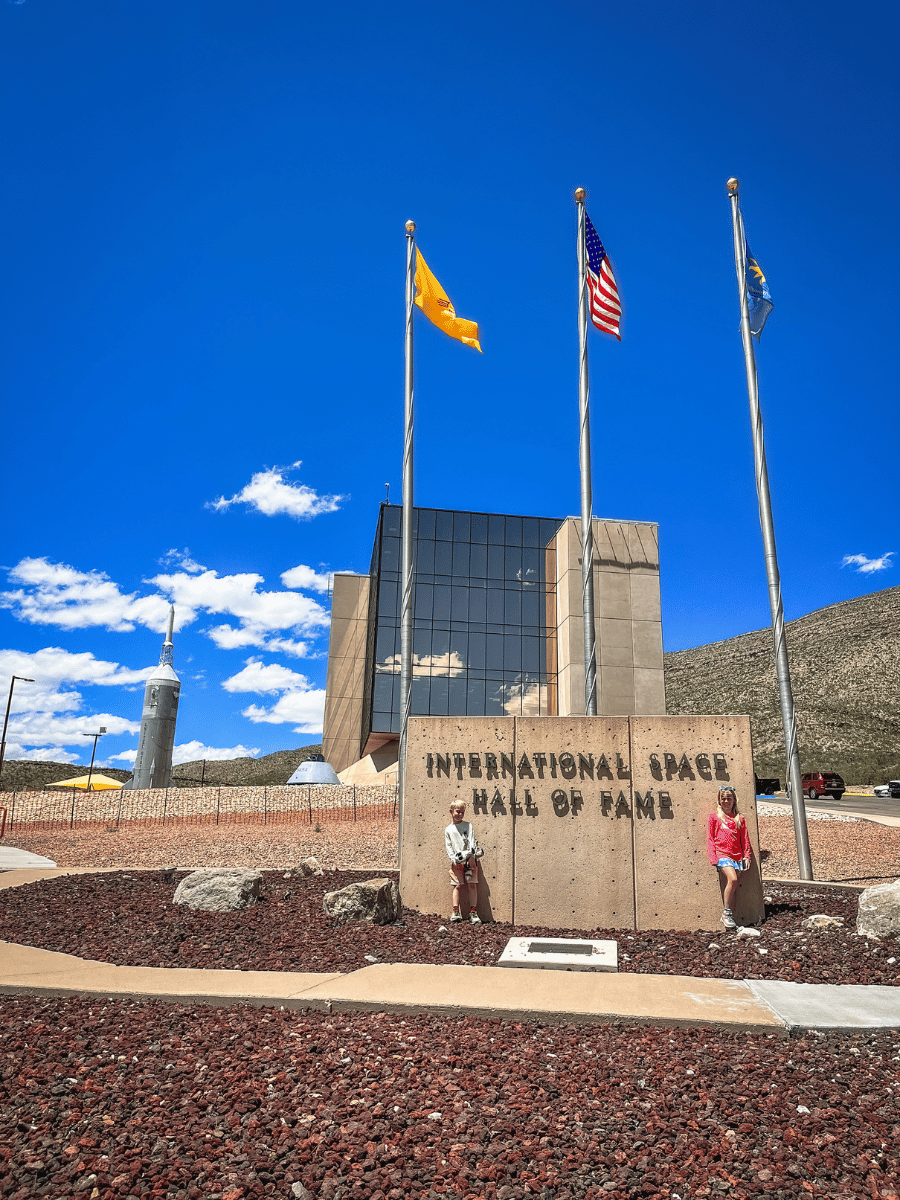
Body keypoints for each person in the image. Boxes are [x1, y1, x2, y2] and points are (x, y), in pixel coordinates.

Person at [707, 785, 751, 930]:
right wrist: (713, 858)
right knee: (733, 879)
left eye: (729, 798)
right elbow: (710, 838)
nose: (726, 801)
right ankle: (725, 914)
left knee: (734, 888)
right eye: (723, 798)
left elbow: (745, 839)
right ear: (719, 800)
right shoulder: (714, 818)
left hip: (737, 857)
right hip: (722, 854)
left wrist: (747, 856)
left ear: (734, 800)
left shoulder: (740, 819)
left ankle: (729, 916)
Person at [444, 801, 483, 924]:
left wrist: (472, 856)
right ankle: (456, 911)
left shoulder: (468, 825)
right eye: (457, 811)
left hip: (470, 860)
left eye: (462, 812)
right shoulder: (448, 830)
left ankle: (473, 911)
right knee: (457, 885)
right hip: (457, 861)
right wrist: (453, 860)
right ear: (451, 812)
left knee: (472, 884)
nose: (460, 814)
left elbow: (472, 841)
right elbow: (449, 846)